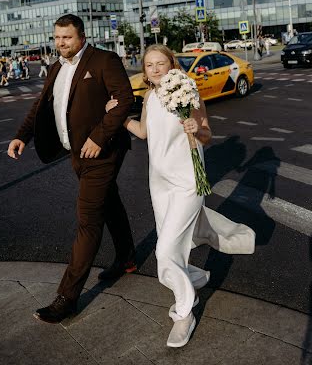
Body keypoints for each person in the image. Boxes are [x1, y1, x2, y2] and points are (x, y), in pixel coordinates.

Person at [105, 44, 255, 348]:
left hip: (187, 180)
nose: (156, 69)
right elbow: (145, 133)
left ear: (172, 64)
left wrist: (195, 129)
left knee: (164, 252)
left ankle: (185, 312)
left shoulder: (187, 90)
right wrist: (120, 118)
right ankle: (193, 275)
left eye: (161, 63)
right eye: (149, 65)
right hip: (159, 183)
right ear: (145, 71)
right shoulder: (149, 97)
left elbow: (207, 134)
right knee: (170, 247)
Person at [7, 14, 136, 324]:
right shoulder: (56, 68)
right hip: (75, 154)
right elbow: (40, 106)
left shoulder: (103, 60)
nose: (60, 43)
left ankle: (67, 298)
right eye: (56, 38)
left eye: (66, 37)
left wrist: (99, 135)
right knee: (109, 203)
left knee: (88, 220)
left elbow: (124, 99)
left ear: (81, 36)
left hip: (102, 154)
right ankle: (127, 257)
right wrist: (21, 135)